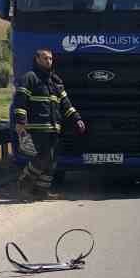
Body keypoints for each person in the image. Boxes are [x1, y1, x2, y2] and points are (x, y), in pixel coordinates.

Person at [12, 49, 85, 196]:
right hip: (37, 128)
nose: (48, 61)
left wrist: (77, 119)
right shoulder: (29, 78)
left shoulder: (55, 81)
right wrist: (20, 122)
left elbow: (66, 104)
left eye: (50, 59)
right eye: (45, 58)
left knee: (52, 161)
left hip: (54, 128)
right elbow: (20, 101)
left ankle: (41, 191)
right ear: (37, 59)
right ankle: (24, 183)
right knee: (42, 158)